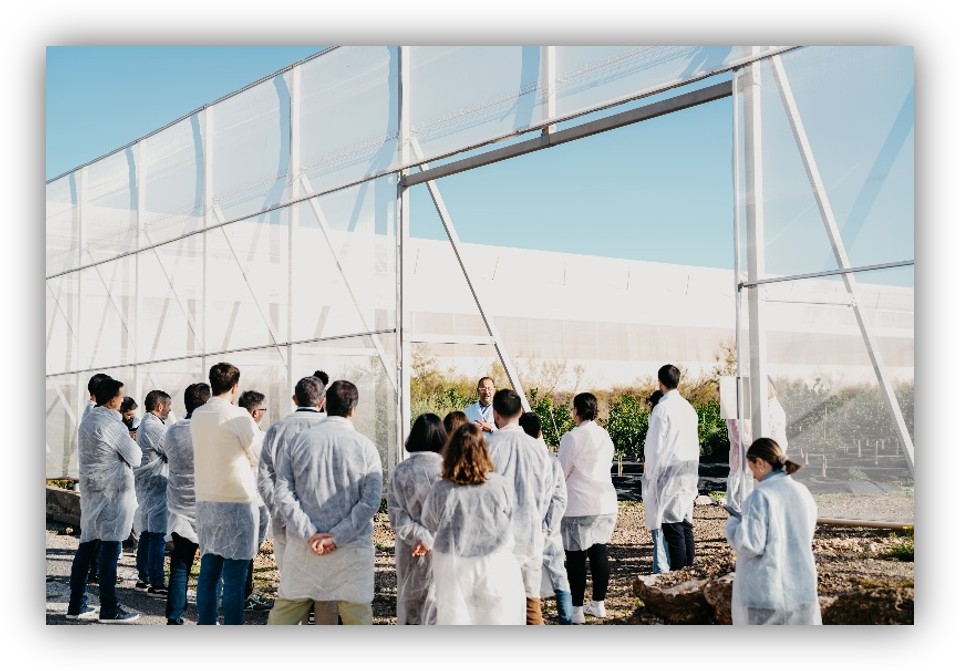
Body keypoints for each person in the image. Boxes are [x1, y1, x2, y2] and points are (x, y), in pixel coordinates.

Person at [267, 380, 383, 625]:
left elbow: (283, 494)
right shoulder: (365, 447)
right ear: (353, 409)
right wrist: (337, 537)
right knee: (358, 619)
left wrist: (310, 534)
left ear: (325, 404)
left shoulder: (298, 442)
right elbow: (370, 501)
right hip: (351, 553)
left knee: (283, 618)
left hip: (305, 551)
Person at [420, 423, 525, 625]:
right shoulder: (499, 484)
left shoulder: (442, 487)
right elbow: (511, 517)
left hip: (452, 561)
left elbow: (429, 521)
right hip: (493, 559)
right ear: (484, 450)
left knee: (455, 618)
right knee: (496, 618)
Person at [190, 362, 262, 625]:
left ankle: (207, 625)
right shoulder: (239, 416)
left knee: (208, 572)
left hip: (206, 502)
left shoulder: (198, 415)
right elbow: (259, 455)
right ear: (235, 387)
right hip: (236, 503)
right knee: (234, 578)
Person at [66, 377, 142, 623]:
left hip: (92, 493)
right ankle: (109, 609)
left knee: (87, 547)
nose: (122, 400)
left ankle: (76, 605)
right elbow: (135, 457)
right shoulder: (112, 424)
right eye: (120, 397)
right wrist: (130, 439)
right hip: (113, 495)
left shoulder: (88, 420)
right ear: (112, 400)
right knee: (110, 550)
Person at [257, 374, 330, 623]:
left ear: (294, 398)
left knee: (292, 586)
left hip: (286, 522)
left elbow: (264, 477)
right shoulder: (332, 429)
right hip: (325, 523)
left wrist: (278, 510)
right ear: (322, 400)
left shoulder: (277, 430)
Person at [725, 437, 821, 625]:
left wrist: (733, 525)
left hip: (767, 590)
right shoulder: (802, 491)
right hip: (801, 586)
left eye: (751, 467)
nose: (753, 475)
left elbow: (751, 544)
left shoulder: (761, 495)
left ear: (760, 462)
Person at [486, 388, 554, 625]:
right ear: (521, 413)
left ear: (495, 414)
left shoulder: (489, 447)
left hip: (498, 537)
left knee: (500, 606)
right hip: (530, 533)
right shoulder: (538, 449)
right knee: (531, 604)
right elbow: (546, 493)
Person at [558, 392, 619, 623]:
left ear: (576, 410)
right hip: (604, 503)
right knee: (599, 552)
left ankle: (576, 611)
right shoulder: (604, 435)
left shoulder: (571, 437)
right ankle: (598, 604)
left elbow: (562, 471)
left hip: (578, 504)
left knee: (575, 558)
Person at [387, 413, 446, 625]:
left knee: (409, 604)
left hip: (409, 548)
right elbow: (452, 515)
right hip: (442, 548)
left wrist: (420, 536)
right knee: (439, 604)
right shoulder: (448, 470)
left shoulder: (400, 471)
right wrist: (430, 537)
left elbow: (396, 514)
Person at [642, 364, 700, 571]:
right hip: (689, 470)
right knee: (685, 523)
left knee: (672, 526)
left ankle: (678, 574)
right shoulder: (688, 408)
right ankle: (689, 572)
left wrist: (650, 476)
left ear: (660, 382)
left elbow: (655, 447)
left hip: (669, 471)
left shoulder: (662, 409)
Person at [163, 382, 211, 624]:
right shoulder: (211, 432)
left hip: (180, 508)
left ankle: (174, 618)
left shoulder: (172, 432)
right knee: (210, 569)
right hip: (209, 508)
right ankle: (207, 619)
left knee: (180, 566)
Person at [519, 411, 573, 625]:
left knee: (522, 580)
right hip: (547, 531)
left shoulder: (517, 461)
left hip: (522, 530)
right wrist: (547, 525)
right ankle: (566, 621)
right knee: (559, 577)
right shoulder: (551, 461)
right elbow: (560, 498)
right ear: (540, 433)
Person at [133, 389, 172, 596]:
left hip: (147, 487)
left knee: (148, 533)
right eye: (168, 406)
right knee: (157, 535)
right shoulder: (154, 427)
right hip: (156, 486)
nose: (170, 410)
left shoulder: (146, 424)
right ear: (159, 406)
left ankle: (144, 577)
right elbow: (173, 450)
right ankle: (156, 583)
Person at [237, 389, 271, 612]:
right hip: (253, 498)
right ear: (255, 412)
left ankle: (242, 592)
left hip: (240, 497)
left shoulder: (232, 432)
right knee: (247, 550)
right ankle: (244, 594)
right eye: (263, 409)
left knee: (243, 549)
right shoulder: (256, 436)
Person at [646, 389, 670, 574]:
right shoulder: (666, 414)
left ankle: (660, 566)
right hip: (667, 473)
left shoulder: (657, 416)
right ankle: (662, 564)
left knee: (658, 523)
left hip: (657, 474)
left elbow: (653, 450)